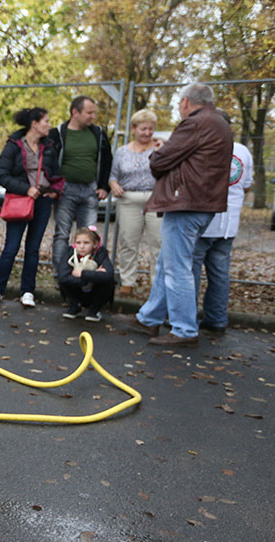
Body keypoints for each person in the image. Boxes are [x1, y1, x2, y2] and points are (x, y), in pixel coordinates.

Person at [133, 82, 233, 347]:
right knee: (167, 263)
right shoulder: (220, 124)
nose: (179, 107)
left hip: (186, 204)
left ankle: (184, 329)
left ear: (187, 102)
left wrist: (157, 151)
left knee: (177, 268)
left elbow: (161, 161)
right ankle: (150, 317)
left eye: (179, 103)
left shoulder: (194, 123)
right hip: (204, 203)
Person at [0, 107, 64, 308]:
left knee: (33, 249)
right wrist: (26, 189)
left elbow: (56, 172)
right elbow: (2, 174)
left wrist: (54, 189)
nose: (49, 125)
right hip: (19, 201)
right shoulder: (13, 145)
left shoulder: (50, 146)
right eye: (46, 121)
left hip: (43, 201)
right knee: (11, 247)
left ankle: (28, 291)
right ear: (34, 124)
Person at [192, 109, 253, 336]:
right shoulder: (243, 151)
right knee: (220, 273)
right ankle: (217, 319)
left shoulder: (206, 147)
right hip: (229, 224)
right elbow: (246, 184)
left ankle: (187, 319)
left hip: (204, 220)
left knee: (192, 271)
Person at [48, 96, 113, 274]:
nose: (93, 116)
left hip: (90, 190)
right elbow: (50, 161)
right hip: (65, 190)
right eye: (89, 112)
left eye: (94, 112)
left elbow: (107, 160)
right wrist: (54, 186)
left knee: (88, 235)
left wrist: (104, 186)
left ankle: (84, 272)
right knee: (62, 233)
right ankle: (61, 272)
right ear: (75, 112)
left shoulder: (98, 134)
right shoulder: (58, 133)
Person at [109, 108, 163, 296]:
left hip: (155, 199)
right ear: (133, 128)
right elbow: (113, 175)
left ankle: (157, 284)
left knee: (157, 242)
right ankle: (127, 282)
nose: (147, 133)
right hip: (129, 200)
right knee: (128, 242)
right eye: (143, 129)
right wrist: (113, 184)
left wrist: (160, 153)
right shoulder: (122, 152)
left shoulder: (160, 148)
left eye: (151, 129)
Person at [57, 226, 115, 322]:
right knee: (63, 282)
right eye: (78, 243)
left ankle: (95, 309)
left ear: (95, 244)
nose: (82, 246)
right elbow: (62, 277)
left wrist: (82, 274)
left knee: (108, 282)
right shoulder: (70, 253)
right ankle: (74, 306)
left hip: (95, 292)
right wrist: (94, 275)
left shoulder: (100, 253)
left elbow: (108, 275)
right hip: (77, 289)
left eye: (86, 243)